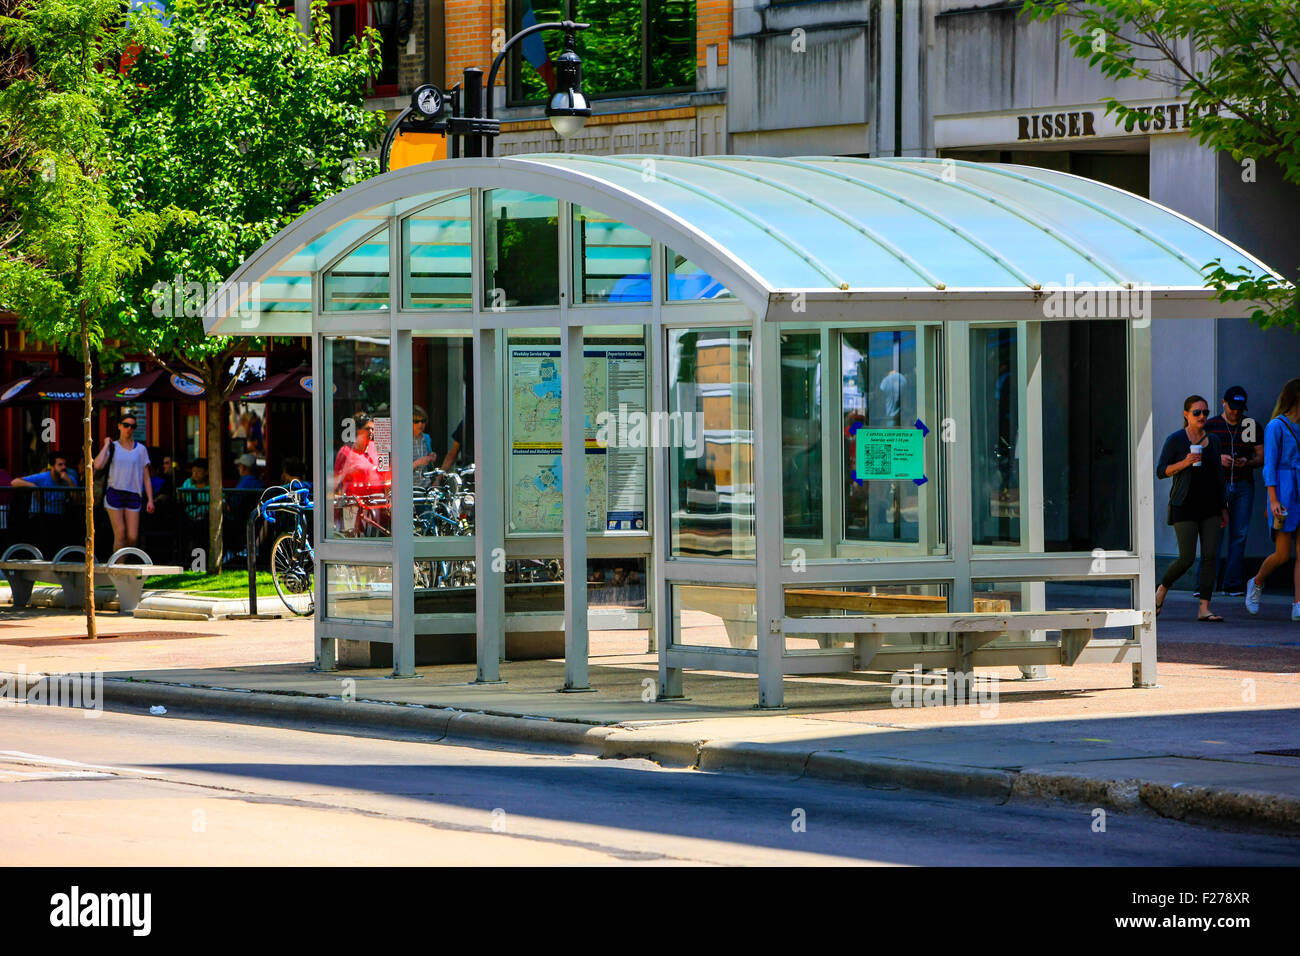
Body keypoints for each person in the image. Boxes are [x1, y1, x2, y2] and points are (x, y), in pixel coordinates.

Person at [1155, 395, 1228, 621]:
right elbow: (1161, 471)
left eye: (1205, 412)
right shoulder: (1176, 439)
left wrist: (1223, 507)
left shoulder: (1213, 441)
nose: (1202, 416)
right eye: (1197, 412)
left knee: (1209, 556)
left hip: (1211, 507)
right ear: (1186, 414)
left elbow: (1218, 476)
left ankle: (1204, 608)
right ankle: (1161, 590)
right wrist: (1185, 462)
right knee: (1186, 558)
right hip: (1184, 505)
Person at [1245, 378, 1300, 621]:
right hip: (1284, 491)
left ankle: (1298, 603)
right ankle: (1256, 582)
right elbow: (1269, 466)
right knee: (1282, 554)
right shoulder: (1275, 426)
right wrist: (1273, 500)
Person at [1202, 386, 1264, 595]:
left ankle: (1231, 583)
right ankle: (1207, 585)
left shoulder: (1250, 426)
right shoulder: (1211, 425)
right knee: (1214, 534)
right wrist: (1218, 459)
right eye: (1232, 407)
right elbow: (1197, 455)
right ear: (1223, 403)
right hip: (1216, 486)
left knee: (1239, 534)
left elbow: (1261, 457)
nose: (1236, 412)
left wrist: (1246, 462)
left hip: (1242, 484)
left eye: (1240, 408)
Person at [93, 412, 155, 552]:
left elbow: (146, 476)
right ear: (119, 426)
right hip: (114, 492)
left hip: (134, 494)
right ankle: (118, 568)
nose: (129, 429)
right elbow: (97, 465)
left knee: (132, 537)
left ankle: (122, 563)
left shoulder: (141, 449)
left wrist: (150, 499)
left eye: (132, 426)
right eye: (126, 425)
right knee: (120, 534)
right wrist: (106, 444)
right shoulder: (113, 446)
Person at [11, 451, 76, 515]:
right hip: (40, 516)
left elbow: (78, 501)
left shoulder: (69, 479)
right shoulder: (42, 477)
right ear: (52, 466)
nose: (64, 467)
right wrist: (34, 486)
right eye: (60, 464)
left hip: (59, 516)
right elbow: (14, 482)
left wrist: (70, 482)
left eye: (65, 464)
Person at [412, 406, 436, 477]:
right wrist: (417, 463)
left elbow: (429, 463)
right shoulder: (404, 440)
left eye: (423, 421)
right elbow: (400, 469)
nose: (420, 424)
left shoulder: (426, 437)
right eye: (416, 421)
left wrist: (431, 457)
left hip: (425, 483)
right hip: (410, 485)